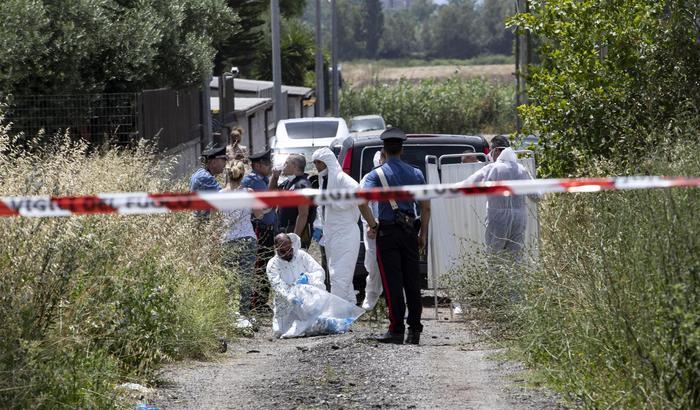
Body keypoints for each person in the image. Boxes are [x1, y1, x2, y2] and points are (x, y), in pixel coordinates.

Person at [362, 127, 431, 345]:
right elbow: (426, 207)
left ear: (383, 150)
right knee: (412, 281)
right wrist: (423, 234)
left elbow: (362, 201)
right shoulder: (416, 173)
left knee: (393, 282)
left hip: (388, 231)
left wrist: (373, 224)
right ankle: (415, 331)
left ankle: (396, 330)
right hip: (410, 229)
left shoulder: (376, 174)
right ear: (402, 149)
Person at [267, 233, 364, 338]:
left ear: (292, 245)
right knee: (280, 331)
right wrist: (291, 296)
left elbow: (318, 271)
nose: (287, 253)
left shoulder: (301, 255)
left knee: (320, 320)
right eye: (283, 251)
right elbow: (278, 286)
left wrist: (308, 278)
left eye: (289, 249)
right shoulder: (272, 265)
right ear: (276, 249)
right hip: (287, 303)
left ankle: (324, 321)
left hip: (308, 297)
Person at [460, 135, 533, 261]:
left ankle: (497, 282)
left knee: (494, 260)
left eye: (491, 151)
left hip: (497, 220)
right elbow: (537, 195)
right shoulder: (522, 170)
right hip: (519, 221)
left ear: (498, 150)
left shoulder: (492, 168)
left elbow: (466, 185)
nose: (490, 155)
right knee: (516, 262)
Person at [310, 148, 362, 304]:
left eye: (319, 162)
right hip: (331, 234)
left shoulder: (342, 179)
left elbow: (359, 194)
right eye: (315, 163)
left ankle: (336, 314)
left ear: (327, 162)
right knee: (337, 276)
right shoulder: (323, 180)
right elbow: (323, 207)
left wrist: (336, 202)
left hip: (346, 233)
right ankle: (349, 310)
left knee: (340, 275)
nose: (317, 166)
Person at [219, 160, 265, 329]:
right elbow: (259, 215)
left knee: (228, 278)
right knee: (246, 278)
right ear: (242, 175)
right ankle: (244, 314)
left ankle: (228, 314)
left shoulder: (219, 194)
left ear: (227, 175)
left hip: (227, 240)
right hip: (247, 238)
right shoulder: (249, 193)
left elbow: (214, 218)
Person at [241, 149, 277, 313]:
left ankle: (262, 301)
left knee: (266, 264)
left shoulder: (263, 179)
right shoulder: (252, 180)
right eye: (266, 163)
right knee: (259, 265)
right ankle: (257, 303)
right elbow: (264, 204)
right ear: (257, 165)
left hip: (268, 229)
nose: (269, 166)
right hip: (259, 229)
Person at [269, 154, 315, 249]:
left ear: (294, 166)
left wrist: (294, 239)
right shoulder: (288, 182)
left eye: (286, 163)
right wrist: (274, 177)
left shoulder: (302, 184)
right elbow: (271, 194)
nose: (283, 166)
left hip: (294, 234)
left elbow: (303, 214)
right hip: (284, 232)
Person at [359, 150, 385, 310]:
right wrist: (370, 224)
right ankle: (372, 295)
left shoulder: (394, 176)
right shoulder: (368, 179)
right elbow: (364, 204)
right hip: (373, 228)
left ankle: (399, 300)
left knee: (396, 265)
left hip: (392, 225)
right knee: (373, 263)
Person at [189, 146, 227, 218]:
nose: (225, 163)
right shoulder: (206, 178)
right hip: (202, 222)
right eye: (223, 160)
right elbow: (223, 197)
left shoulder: (201, 172)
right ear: (214, 162)